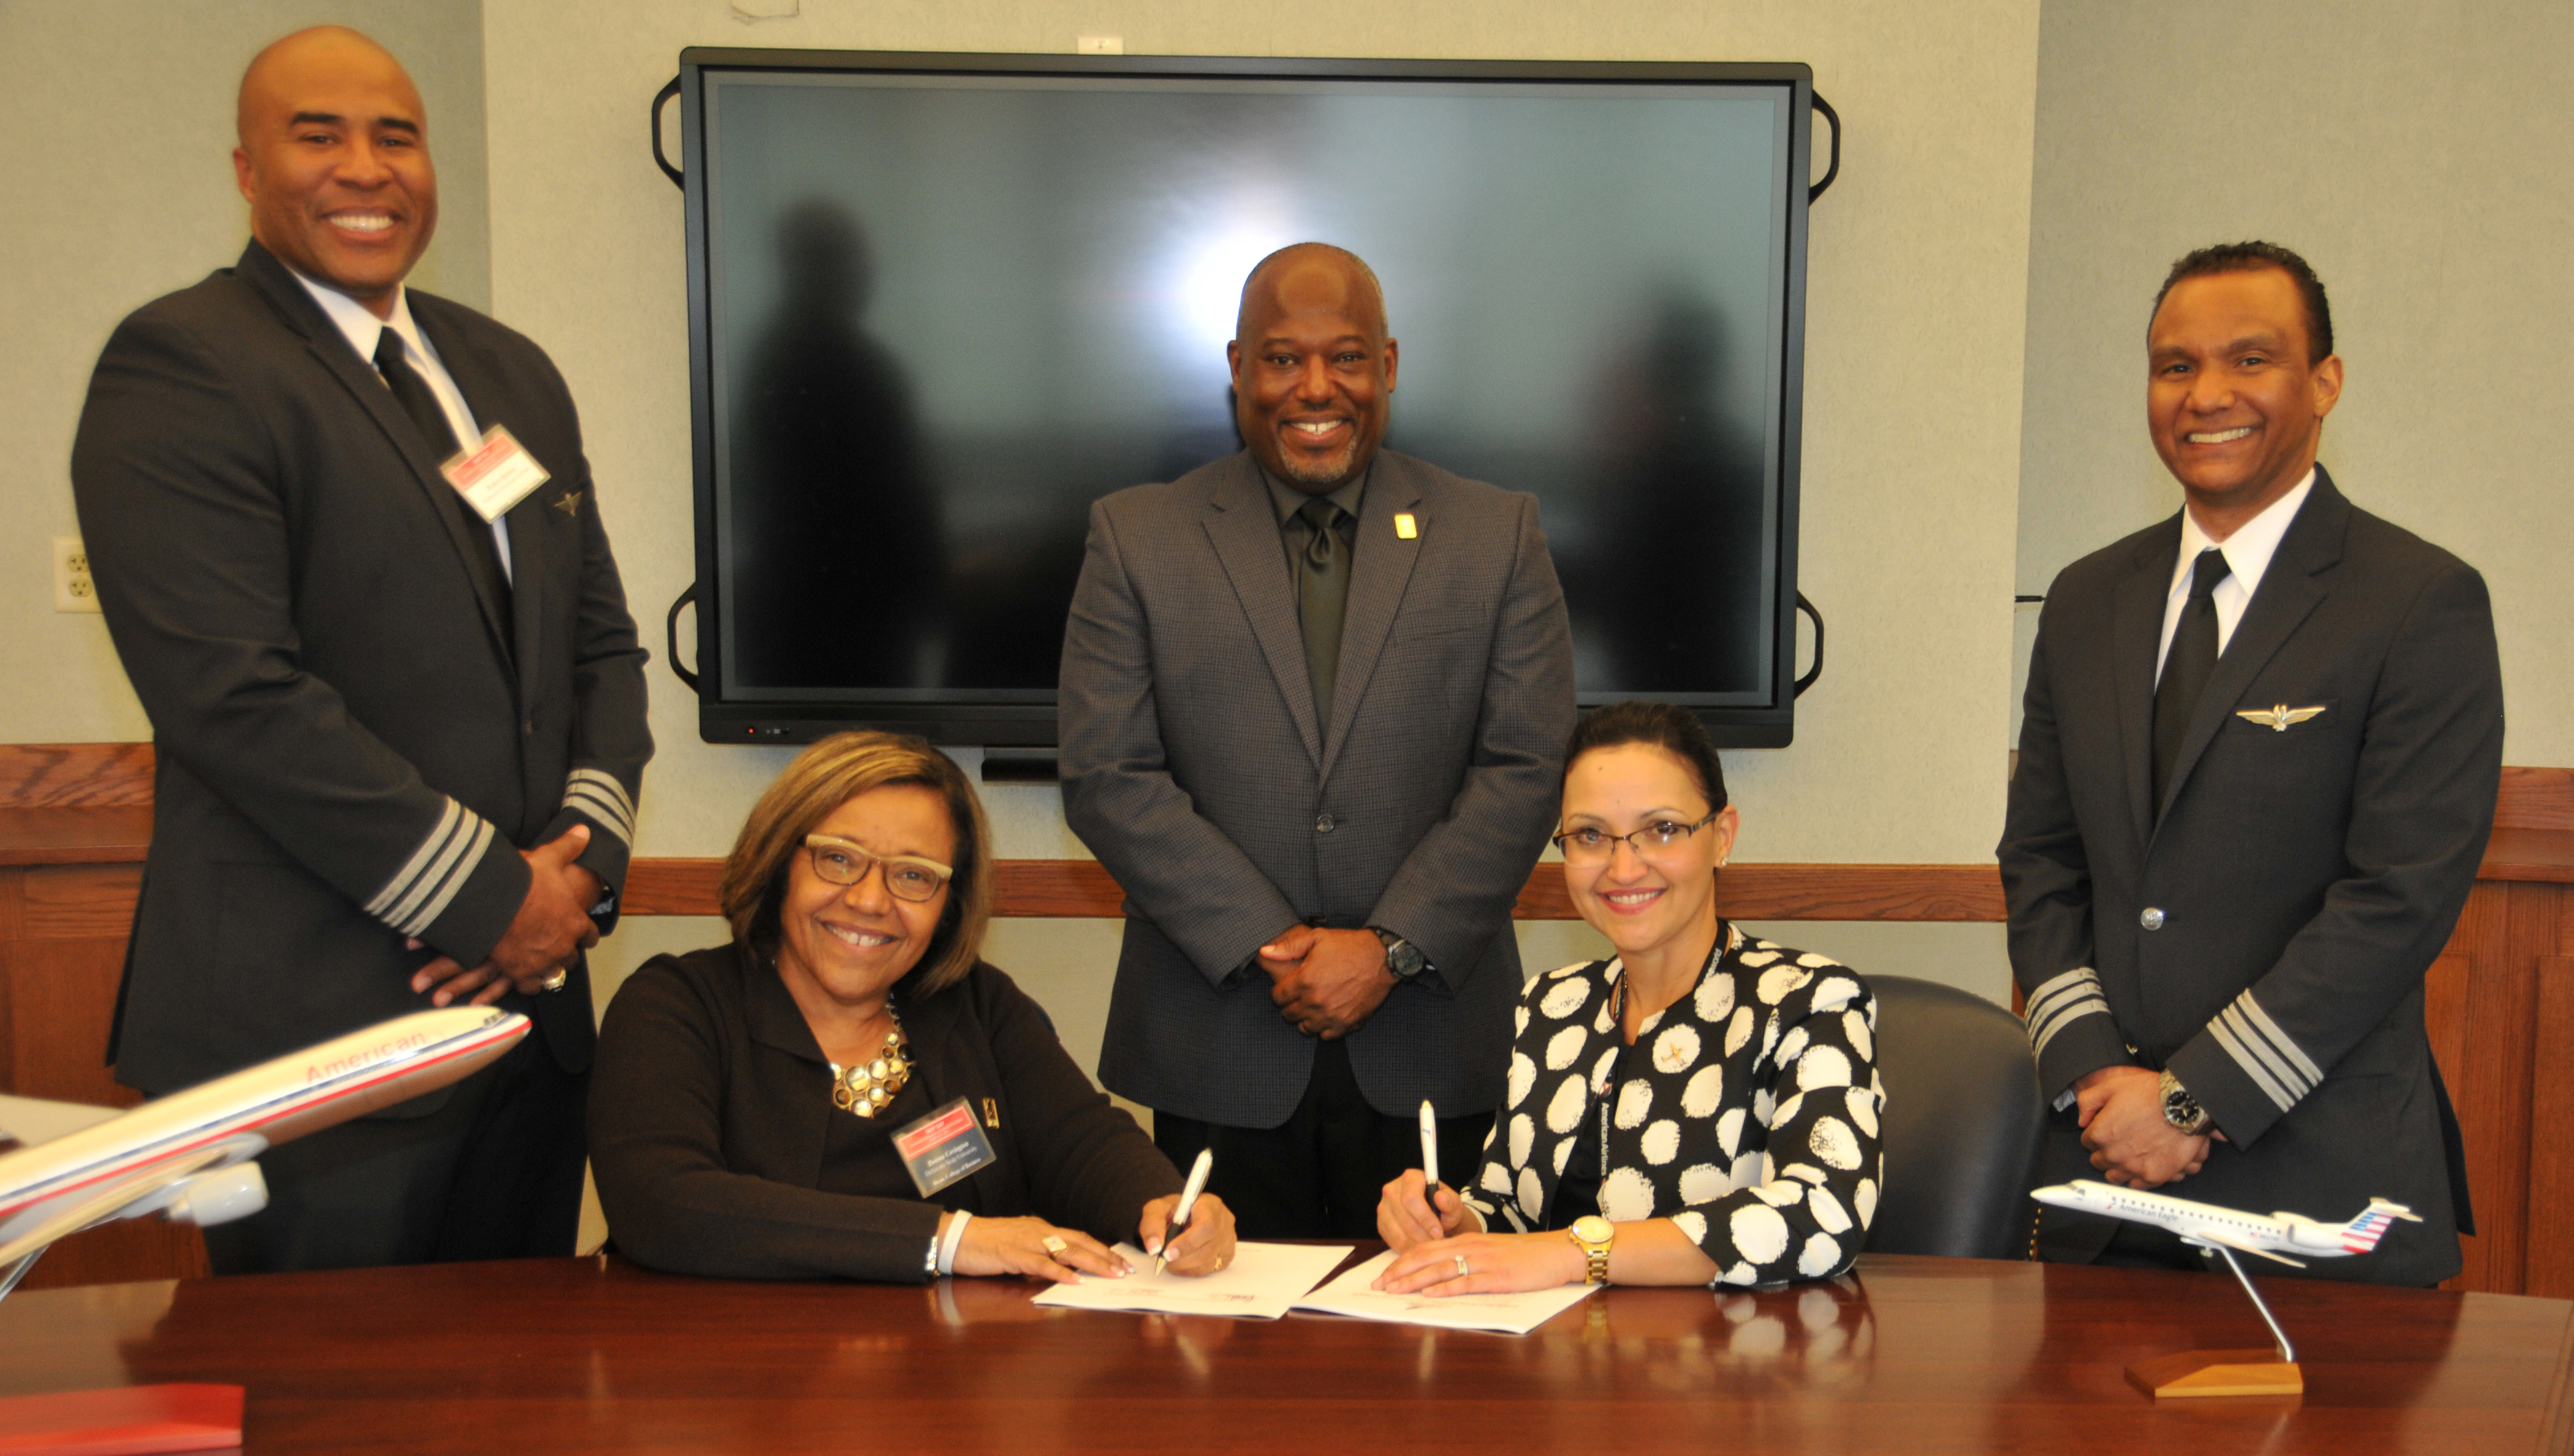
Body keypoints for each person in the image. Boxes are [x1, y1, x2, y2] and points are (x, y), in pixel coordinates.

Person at [67, 27, 651, 1271]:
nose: (365, 168)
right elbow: (235, 697)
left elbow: (598, 646)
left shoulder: (510, 374)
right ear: (243, 168)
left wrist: (578, 880)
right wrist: (494, 900)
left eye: (395, 135)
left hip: (531, 1019)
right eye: (316, 134)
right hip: (320, 1033)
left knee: (516, 1400)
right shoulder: (188, 364)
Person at [2002, 241, 2502, 1285]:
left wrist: (2192, 1102)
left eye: (2251, 360)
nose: (2207, 395)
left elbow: (2397, 901)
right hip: (2105, 1188)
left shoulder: (2419, 600)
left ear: (2325, 381)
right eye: (2175, 366)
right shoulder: (2088, 599)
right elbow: (2044, 861)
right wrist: (2096, 1076)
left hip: (2316, 1197)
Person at [1058, 242, 1577, 1238]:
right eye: (1281, 359)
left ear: (1386, 365)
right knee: (1218, 1370)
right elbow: (1106, 774)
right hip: (1217, 1046)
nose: (1314, 388)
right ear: (1237, 367)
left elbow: (1526, 767)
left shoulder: (1494, 533)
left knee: (1443, 1361)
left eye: (1343, 358)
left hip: (1436, 1040)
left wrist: (1387, 949)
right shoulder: (1138, 538)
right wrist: (1278, 940)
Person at [590, 732, 1236, 1283]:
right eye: (839, 859)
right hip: (737, 1388)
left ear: (947, 904)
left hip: (953, 1391)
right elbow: (664, 1203)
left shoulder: (978, 1006)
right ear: (779, 863)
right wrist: (950, 1239)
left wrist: (1165, 1205)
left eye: (913, 875)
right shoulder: (675, 1007)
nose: (871, 901)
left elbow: (1082, 1143)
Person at [1373, 702, 1881, 1292]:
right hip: (1548, 1367)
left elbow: (1823, 1215)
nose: (1622, 867)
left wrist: (1573, 1254)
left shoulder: (1809, 1002)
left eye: (1661, 829)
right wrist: (1455, 1223)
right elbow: (1509, 1208)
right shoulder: (1550, 1005)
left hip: (1730, 1367)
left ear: (1722, 837)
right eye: (1591, 836)